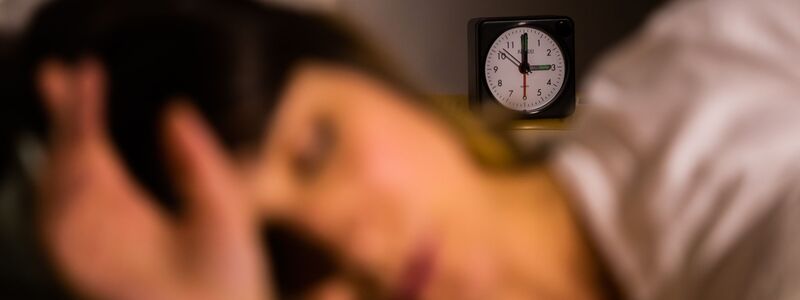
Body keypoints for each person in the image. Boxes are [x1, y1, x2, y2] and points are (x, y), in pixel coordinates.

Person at [9, 0, 800, 299]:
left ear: (362, 73)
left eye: (313, 151)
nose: (342, 242)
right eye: (279, 265)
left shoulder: (716, 62)